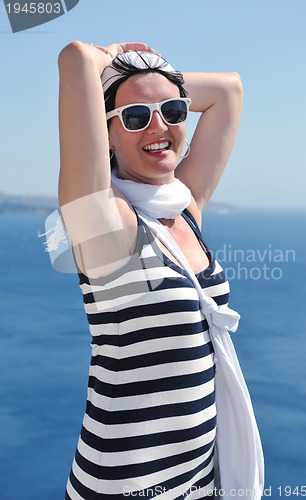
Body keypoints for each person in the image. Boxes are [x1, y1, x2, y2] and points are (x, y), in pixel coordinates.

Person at [53, 41, 263, 499]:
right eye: (134, 117)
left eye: (172, 110)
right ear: (105, 133)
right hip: (125, 484)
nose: (159, 126)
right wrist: (100, 62)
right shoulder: (107, 227)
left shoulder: (183, 207)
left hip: (200, 476)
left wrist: (147, 74)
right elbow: (74, 59)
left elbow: (229, 91)